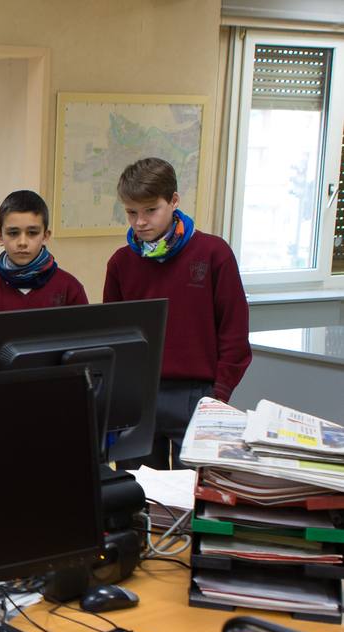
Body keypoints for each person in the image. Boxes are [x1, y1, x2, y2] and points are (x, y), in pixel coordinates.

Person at [103, 158, 251, 468]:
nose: (140, 222)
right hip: (139, 397)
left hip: (198, 396)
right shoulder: (120, 263)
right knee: (140, 497)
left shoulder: (213, 254)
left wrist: (219, 394)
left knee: (195, 495)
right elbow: (114, 336)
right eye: (131, 212)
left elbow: (234, 332)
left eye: (150, 210)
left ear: (173, 201)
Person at [0, 190, 88, 314]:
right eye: (13, 233)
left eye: (32, 233)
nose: (22, 242)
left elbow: (86, 333)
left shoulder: (70, 289)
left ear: (45, 236)